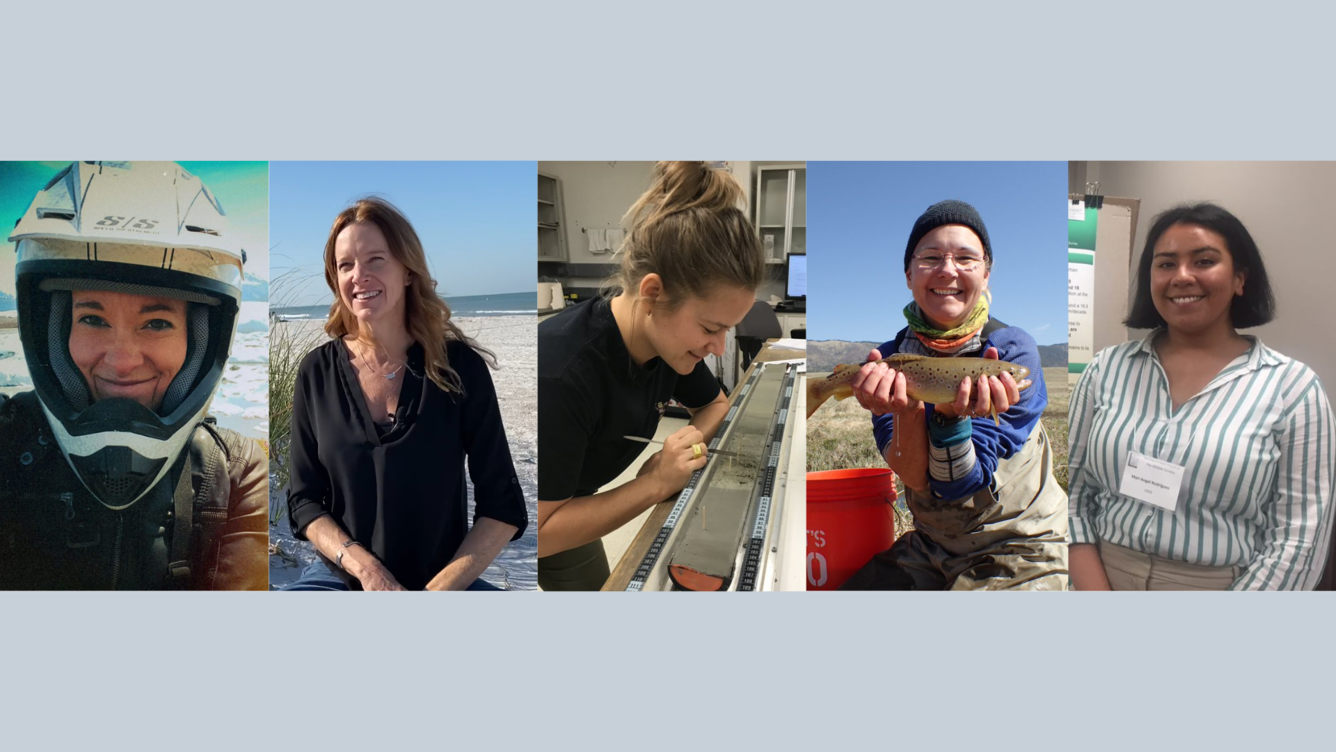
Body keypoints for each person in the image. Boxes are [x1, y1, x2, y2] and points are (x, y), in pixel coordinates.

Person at [0, 161, 266, 590]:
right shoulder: (8, 440)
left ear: (200, 339)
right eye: (92, 319)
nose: (122, 361)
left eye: (157, 322)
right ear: (53, 328)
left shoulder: (231, 472)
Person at [1068, 203, 1335, 590]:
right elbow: (1075, 498)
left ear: (1240, 278)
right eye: (1165, 264)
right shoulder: (1104, 370)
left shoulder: (1293, 389)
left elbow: (1299, 539)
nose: (1182, 277)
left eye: (1204, 261)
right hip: (1100, 578)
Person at [537, 161, 765, 590]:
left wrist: (690, 440)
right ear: (653, 294)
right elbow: (541, 533)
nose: (718, 348)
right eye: (710, 328)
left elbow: (715, 403)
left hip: (571, 497)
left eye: (726, 330)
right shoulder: (558, 376)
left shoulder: (665, 344)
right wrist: (656, 483)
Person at [283, 198, 527, 591]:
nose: (359, 275)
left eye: (376, 259)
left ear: (408, 271)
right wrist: (368, 571)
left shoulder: (459, 368)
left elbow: (503, 507)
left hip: (446, 580)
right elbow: (304, 501)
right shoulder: (316, 372)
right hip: (341, 579)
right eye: (345, 265)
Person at [841, 200, 1068, 590]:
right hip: (933, 546)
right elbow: (912, 475)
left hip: (1022, 545)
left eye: (966, 258)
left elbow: (961, 485)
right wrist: (907, 410)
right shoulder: (886, 361)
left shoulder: (1013, 351)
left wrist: (948, 419)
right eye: (931, 257)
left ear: (986, 274)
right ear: (908, 273)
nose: (948, 269)